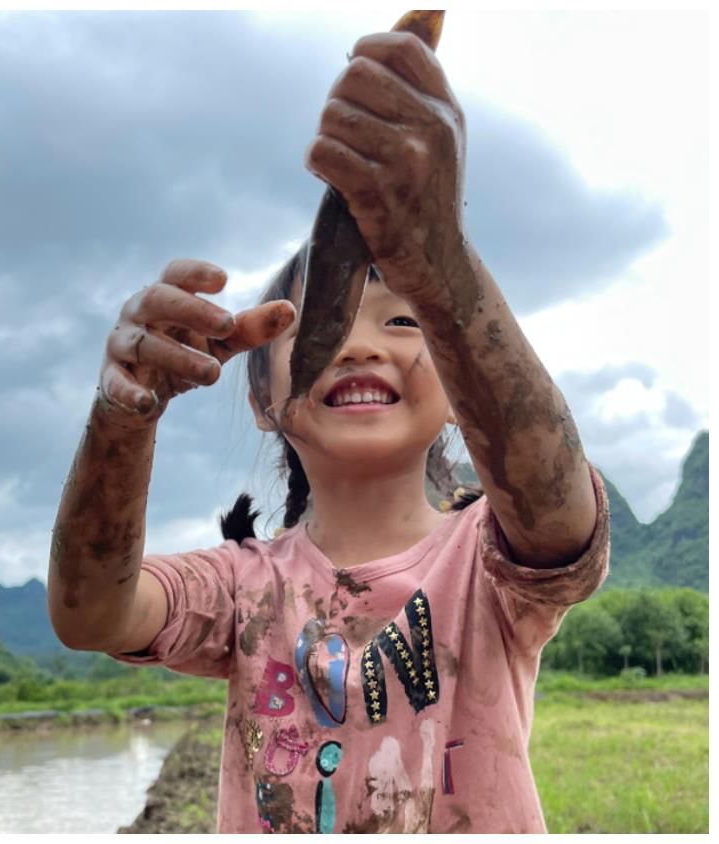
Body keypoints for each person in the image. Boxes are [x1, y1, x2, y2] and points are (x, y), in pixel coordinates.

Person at [49, 28, 609, 834]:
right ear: (262, 401)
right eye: (321, 320)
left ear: (459, 389)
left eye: (409, 317)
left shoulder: (491, 561)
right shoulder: (241, 587)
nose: (359, 341)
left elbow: (558, 513)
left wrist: (439, 256)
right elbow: (91, 614)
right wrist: (120, 421)